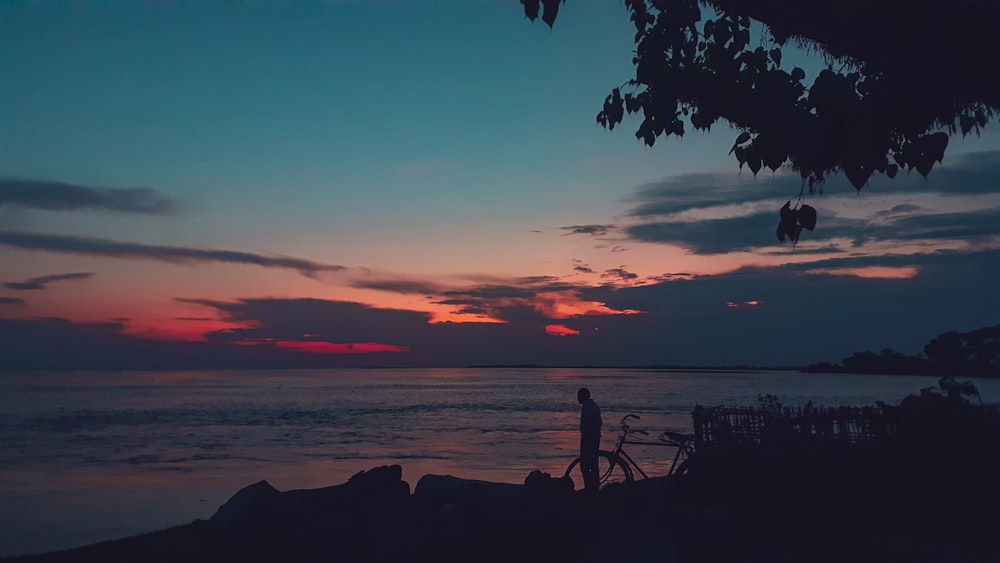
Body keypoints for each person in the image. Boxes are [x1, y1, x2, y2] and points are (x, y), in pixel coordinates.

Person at [577, 387, 602, 494]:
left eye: (578, 396)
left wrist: (589, 434)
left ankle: (589, 487)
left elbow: (592, 419)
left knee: (585, 465)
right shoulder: (595, 406)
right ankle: (595, 487)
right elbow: (600, 422)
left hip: (588, 438)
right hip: (595, 437)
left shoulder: (586, 407)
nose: (577, 398)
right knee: (594, 464)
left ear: (582, 396)